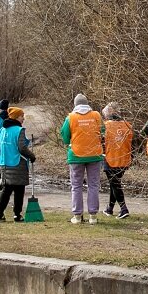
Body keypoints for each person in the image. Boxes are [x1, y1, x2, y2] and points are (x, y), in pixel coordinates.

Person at [62, 93, 105, 224]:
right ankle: (93, 216)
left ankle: (77, 216)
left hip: (76, 155)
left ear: (75, 105)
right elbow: (103, 132)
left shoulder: (71, 117)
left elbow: (64, 136)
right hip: (94, 155)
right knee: (93, 185)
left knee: (76, 186)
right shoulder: (96, 115)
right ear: (87, 104)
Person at [0, 106, 35, 221]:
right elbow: (22, 148)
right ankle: (17, 214)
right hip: (17, 163)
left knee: (6, 189)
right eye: (22, 116)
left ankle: (0, 213)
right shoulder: (19, 130)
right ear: (17, 117)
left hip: (4, 163)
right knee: (19, 190)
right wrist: (32, 156)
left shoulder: (3, 130)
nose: (23, 118)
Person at [102, 103, 133, 218]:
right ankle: (109, 208)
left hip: (111, 158)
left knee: (115, 184)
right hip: (124, 159)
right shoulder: (127, 125)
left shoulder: (106, 126)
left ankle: (124, 209)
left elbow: (101, 141)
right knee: (114, 183)